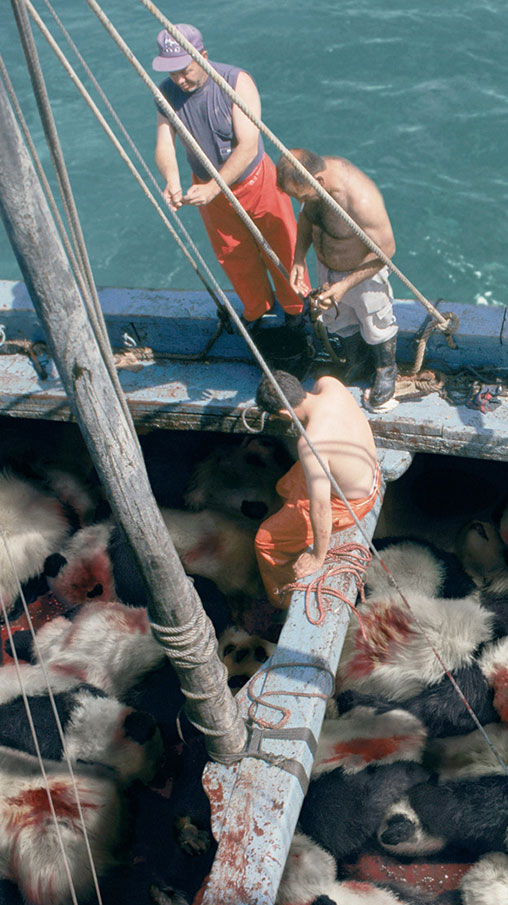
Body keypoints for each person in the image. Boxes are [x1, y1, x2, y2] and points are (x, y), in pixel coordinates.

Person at [152, 24, 309, 328]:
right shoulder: (166, 93)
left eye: (185, 70)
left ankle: (295, 309)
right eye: (172, 73)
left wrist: (214, 187)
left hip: (256, 183)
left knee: (282, 248)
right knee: (233, 255)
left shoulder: (236, 81)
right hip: (209, 189)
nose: (179, 80)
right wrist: (172, 180)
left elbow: (249, 145)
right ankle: (257, 309)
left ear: (204, 56)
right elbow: (164, 145)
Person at [276, 149, 399, 411]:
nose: (301, 200)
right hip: (328, 270)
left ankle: (385, 368)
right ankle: (356, 361)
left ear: (318, 182)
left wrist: (345, 285)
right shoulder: (313, 186)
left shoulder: (360, 199)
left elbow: (387, 250)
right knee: (339, 321)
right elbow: (307, 218)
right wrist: (299, 258)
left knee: (375, 322)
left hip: (362, 274)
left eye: (301, 196)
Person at [253, 369, 381, 606]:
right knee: (286, 485)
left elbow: (321, 507)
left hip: (349, 504)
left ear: (283, 413)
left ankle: (281, 598)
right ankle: (290, 526)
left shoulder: (312, 443)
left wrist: (317, 557)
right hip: (368, 474)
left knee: (264, 541)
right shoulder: (330, 384)